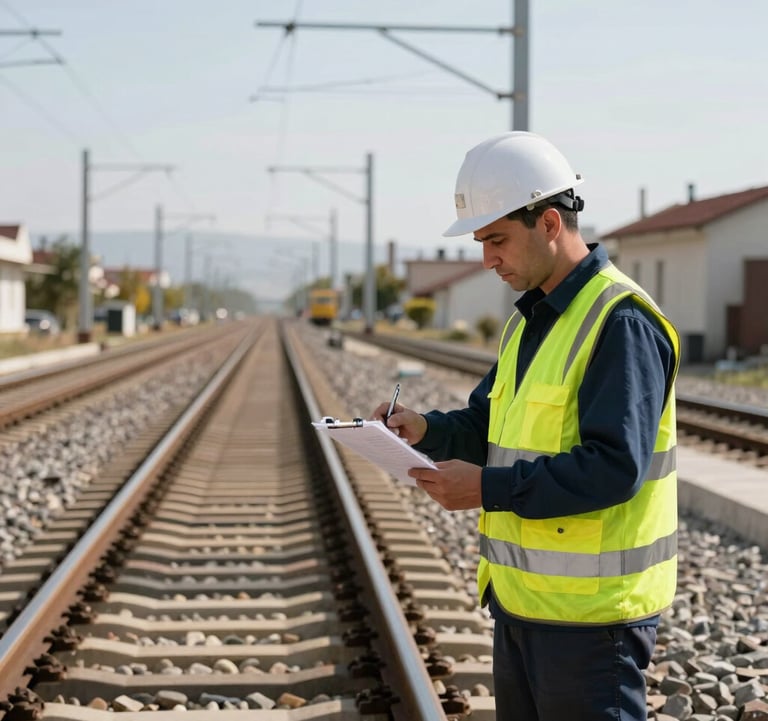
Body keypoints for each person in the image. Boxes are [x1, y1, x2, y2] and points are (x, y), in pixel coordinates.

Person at [370, 131, 680, 721]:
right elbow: (491, 423)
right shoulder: (530, 320)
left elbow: (615, 468)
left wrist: (484, 489)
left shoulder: (620, 322)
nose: (487, 259)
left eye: (496, 240)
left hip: (593, 621)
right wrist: (424, 429)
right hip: (523, 606)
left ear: (550, 223)